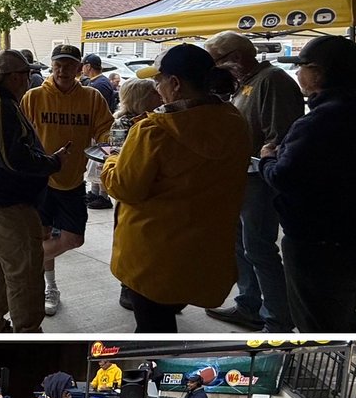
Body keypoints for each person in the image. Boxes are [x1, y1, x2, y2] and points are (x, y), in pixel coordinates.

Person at [259, 35, 356, 331]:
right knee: (337, 313)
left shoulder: (318, 122)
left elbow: (284, 177)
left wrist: (267, 159)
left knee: (320, 329)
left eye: (301, 67)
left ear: (316, 72)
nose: (298, 74)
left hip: (327, 249)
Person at [101, 44, 252, 332]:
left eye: (159, 80)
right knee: (165, 314)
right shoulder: (234, 122)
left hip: (153, 256)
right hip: (205, 252)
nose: (156, 88)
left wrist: (111, 162)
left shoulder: (153, 131)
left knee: (152, 327)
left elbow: (125, 186)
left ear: (175, 83)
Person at [202, 31, 306, 332]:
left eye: (215, 62)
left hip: (259, 180)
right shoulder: (244, 83)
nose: (214, 69)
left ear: (234, 58)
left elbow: (281, 136)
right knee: (240, 245)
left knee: (259, 248)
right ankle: (248, 305)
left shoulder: (272, 81)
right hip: (239, 177)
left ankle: (277, 319)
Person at [0, 49, 67, 333]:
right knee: (24, 270)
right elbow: (12, 159)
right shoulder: (0, 105)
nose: (29, 79)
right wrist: (53, 162)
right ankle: (26, 330)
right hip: (7, 202)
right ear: (13, 77)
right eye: (26, 74)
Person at [21, 45, 115, 317]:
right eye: (58, 65)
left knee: (74, 239)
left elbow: (105, 131)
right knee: (43, 234)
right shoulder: (34, 97)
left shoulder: (92, 97)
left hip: (73, 180)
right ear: (52, 66)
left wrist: (115, 141)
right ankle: (47, 287)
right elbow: (21, 136)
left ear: (79, 67)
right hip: (39, 181)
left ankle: (24, 264)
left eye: (69, 65)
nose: (62, 70)